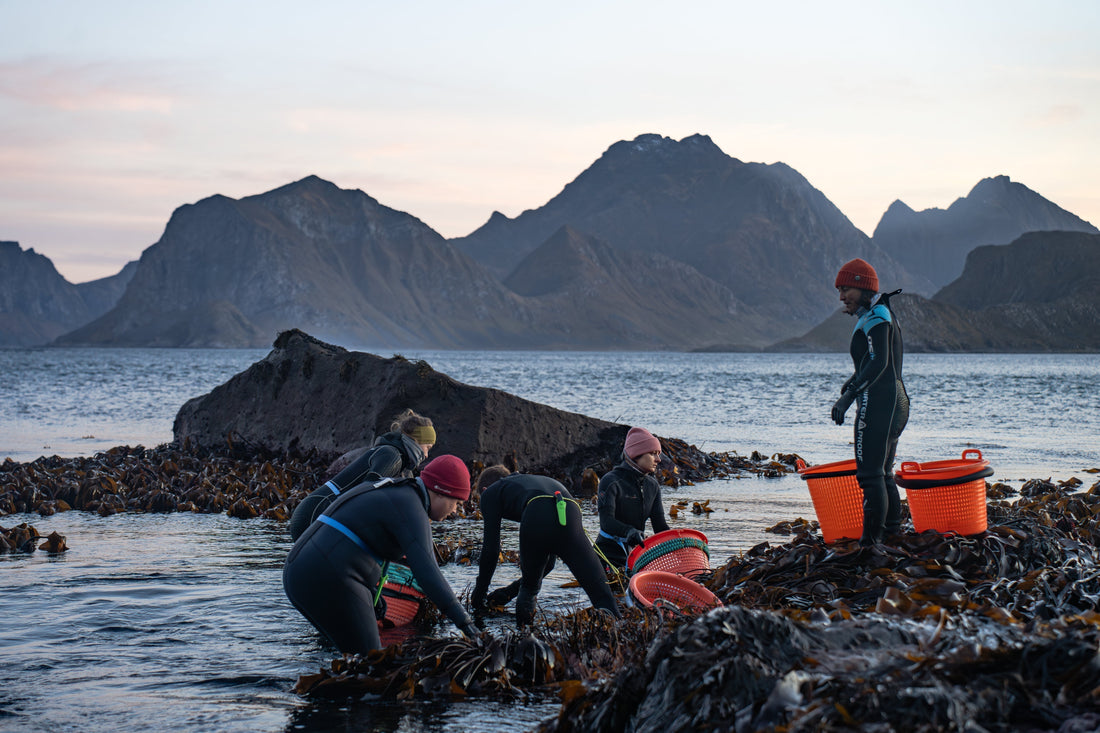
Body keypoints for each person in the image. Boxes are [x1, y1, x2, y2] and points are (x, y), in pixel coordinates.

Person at [282, 454, 479, 654]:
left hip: (300, 571)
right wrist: (468, 626)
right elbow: (429, 574)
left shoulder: (398, 492)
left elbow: (356, 543)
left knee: (341, 658)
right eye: (456, 502)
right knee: (371, 663)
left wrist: (372, 594)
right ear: (440, 492)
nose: (455, 511)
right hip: (326, 575)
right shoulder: (411, 506)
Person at [470, 466, 620, 627]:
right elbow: (547, 564)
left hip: (538, 509)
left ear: (484, 490)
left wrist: (479, 596)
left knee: (529, 590)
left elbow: (491, 551)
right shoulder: (529, 482)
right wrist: (507, 593)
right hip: (570, 509)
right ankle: (619, 639)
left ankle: (524, 640)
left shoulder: (490, 494)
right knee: (601, 594)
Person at [830, 258, 910, 546]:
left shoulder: (877, 317)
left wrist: (849, 396)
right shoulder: (880, 312)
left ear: (863, 288)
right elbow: (873, 363)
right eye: (839, 290)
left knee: (869, 476)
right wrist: (851, 383)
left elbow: (879, 362)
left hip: (879, 402)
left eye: (845, 290)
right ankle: (891, 536)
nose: (841, 297)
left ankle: (871, 545)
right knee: (883, 473)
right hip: (893, 400)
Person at [289, 409, 436, 540]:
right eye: (427, 447)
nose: (427, 454)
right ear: (415, 441)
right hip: (316, 511)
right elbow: (368, 492)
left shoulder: (399, 462)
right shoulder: (392, 455)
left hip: (323, 512)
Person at [594, 427, 670, 570]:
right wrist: (629, 531)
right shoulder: (611, 481)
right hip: (607, 556)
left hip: (636, 557)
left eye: (658, 454)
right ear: (637, 454)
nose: (658, 459)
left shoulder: (652, 485)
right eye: (653, 454)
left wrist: (678, 540)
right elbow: (606, 522)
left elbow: (660, 527)